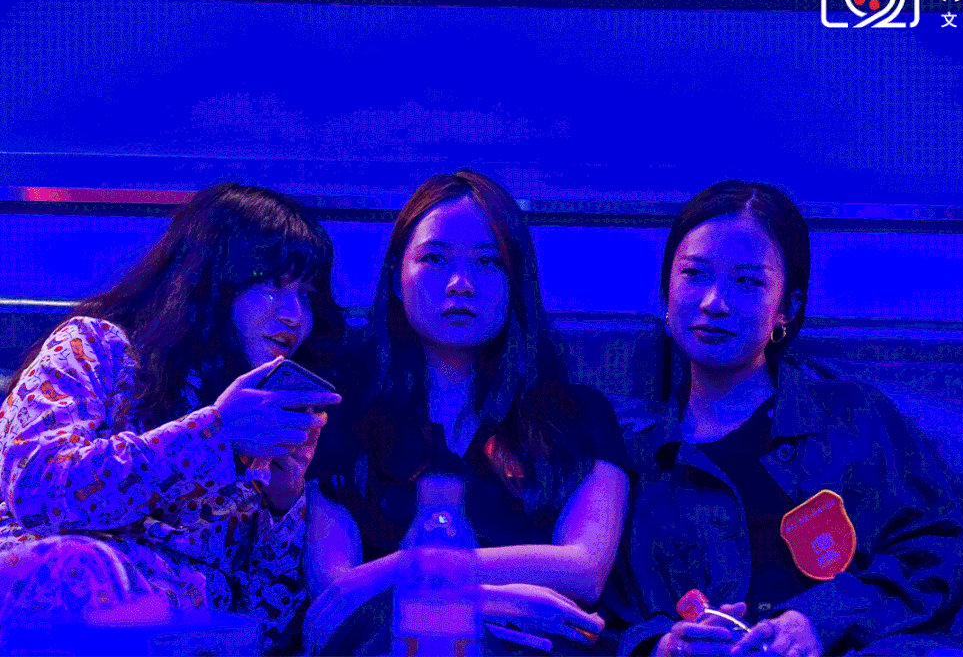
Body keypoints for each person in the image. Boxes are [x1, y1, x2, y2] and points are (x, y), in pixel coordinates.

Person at [619, 181, 963, 657]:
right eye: (694, 274)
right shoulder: (633, 459)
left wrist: (820, 621)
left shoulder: (854, 416)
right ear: (666, 291)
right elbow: (609, 616)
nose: (713, 302)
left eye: (748, 282)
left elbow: (937, 554)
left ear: (786, 308)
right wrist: (664, 646)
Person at [0, 183, 344, 654]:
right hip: (57, 613)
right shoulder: (97, 347)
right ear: (210, 280)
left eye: (306, 294)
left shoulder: (259, 418)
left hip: (184, 639)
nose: (294, 315)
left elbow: (264, 630)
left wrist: (282, 506)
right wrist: (216, 433)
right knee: (82, 567)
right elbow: (39, 488)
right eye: (271, 284)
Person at [303, 169, 632, 655]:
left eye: (487, 261)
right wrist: (491, 601)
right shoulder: (342, 411)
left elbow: (584, 570)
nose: (460, 284)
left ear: (515, 281)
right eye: (434, 259)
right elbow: (335, 593)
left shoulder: (581, 415)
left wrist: (400, 570)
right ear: (397, 279)